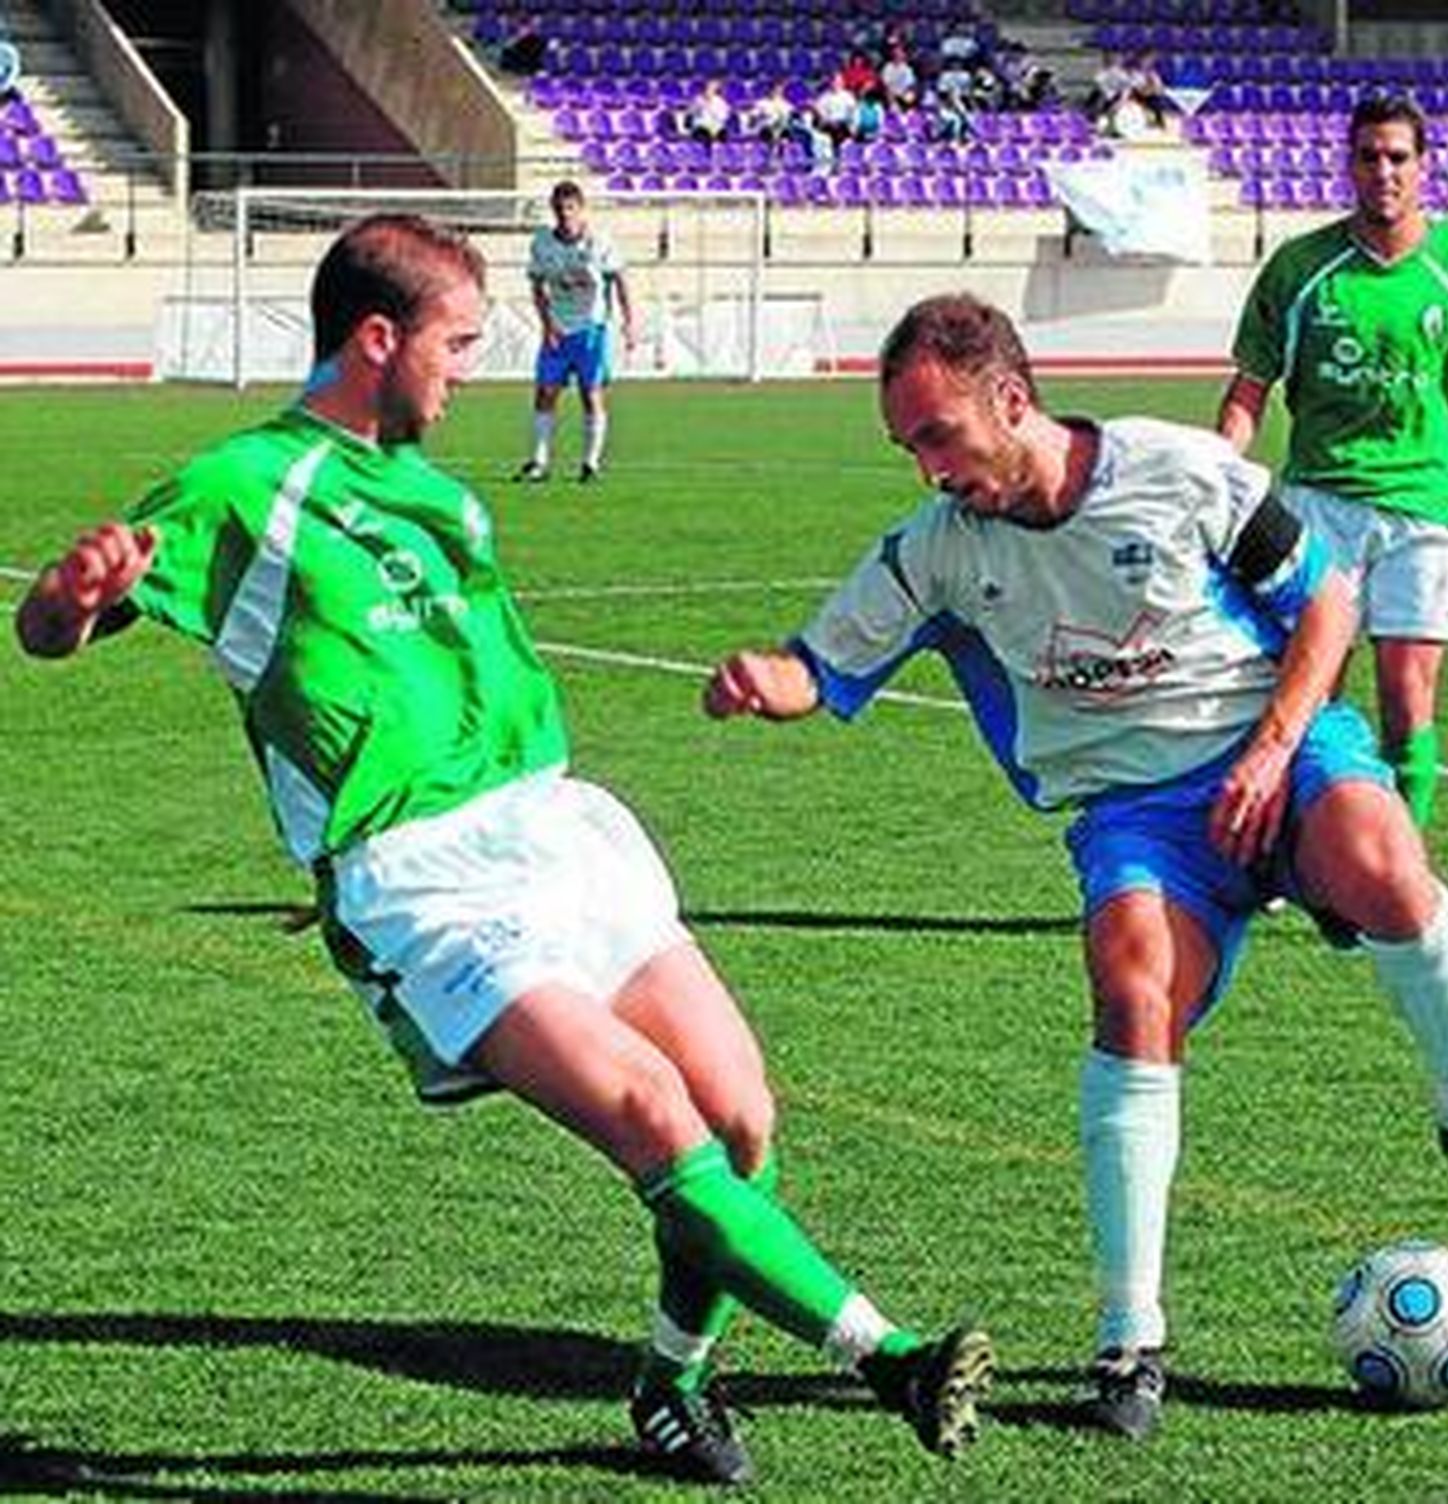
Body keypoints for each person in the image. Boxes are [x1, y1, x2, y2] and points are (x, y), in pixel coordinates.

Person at [13, 217, 995, 1487]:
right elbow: (55, 627)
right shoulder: (244, 486)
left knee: (741, 1118)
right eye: (457, 342)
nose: (469, 367)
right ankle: (892, 1355)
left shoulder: (445, 498)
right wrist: (70, 593)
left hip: (560, 828)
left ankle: (670, 1381)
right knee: (652, 1114)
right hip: (420, 876)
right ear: (379, 337)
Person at [704, 292, 1448, 1442]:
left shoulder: (1177, 470)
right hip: (1136, 815)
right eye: (908, 448)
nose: (928, 470)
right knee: (1131, 980)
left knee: (1383, 859)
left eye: (938, 435)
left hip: (1272, 751)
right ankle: (1130, 1339)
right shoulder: (937, 551)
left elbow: (1327, 604)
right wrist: (765, 681)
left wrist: (1273, 748)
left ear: (1010, 398)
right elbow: (822, 664)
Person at [1218, 93, 1448, 827]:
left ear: (1423, 166)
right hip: (1320, 506)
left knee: (1406, 696)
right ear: (1349, 165)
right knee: (1312, 693)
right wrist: (1222, 469)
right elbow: (1249, 391)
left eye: (1398, 157)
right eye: (1369, 156)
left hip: (1423, 505)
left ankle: (1399, 859)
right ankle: (1295, 852)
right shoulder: (1302, 268)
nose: (1384, 171)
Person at [515, 180, 636, 486]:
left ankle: (590, 465)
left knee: (590, 395)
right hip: (558, 328)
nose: (565, 214)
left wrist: (628, 322)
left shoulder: (599, 241)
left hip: (590, 329)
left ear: (581, 210)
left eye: (570, 208)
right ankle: (539, 463)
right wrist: (547, 325)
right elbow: (537, 285)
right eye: (559, 208)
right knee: (545, 393)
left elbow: (620, 279)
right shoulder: (542, 242)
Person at [684, 77, 732, 146]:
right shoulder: (698, 99)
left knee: (724, 137)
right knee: (705, 138)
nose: (710, 90)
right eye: (709, 88)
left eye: (713, 88)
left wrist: (714, 112)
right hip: (701, 126)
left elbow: (724, 115)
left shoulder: (720, 101)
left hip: (715, 126)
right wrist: (698, 108)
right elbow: (691, 112)